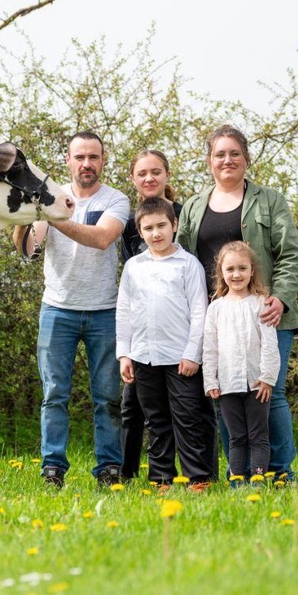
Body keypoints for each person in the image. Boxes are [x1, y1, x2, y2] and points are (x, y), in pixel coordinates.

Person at [177, 124, 298, 481]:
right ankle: (241, 473)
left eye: (235, 153)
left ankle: (279, 472)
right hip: (218, 319)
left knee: (270, 393)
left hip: (266, 315)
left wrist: (279, 298)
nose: (227, 160)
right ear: (209, 161)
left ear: (246, 158)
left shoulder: (270, 200)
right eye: (220, 154)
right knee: (227, 393)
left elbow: (291, 254)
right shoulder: (192, 207)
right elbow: (183, 262)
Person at [13, 132, 130, 489]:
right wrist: (23, 217)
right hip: (57, 309)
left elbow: (101, 238)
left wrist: (54, 213)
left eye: (93, 157)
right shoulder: (53, 197)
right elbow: (29, 249)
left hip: (104, 311)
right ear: (67, 160)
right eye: (79, 157)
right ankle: (53, 470)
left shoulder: (117, 199)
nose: (86, 164)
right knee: (54, 394)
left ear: (103, 160)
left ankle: (109, 469)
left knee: (108, 398)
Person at [116, 197, 217, 491]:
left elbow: (200, 312)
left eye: (162, 226)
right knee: (156, 421)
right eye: (148, 228)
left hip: (180, 358)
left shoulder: (188, 264)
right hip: (144, 356)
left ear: (174, 225)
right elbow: (124, 310)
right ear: (140, 231)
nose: (156, 233)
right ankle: (161, 479)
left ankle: (197, 477)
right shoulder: (134, 267)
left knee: (187, 418)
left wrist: (192, 355)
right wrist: (124, 354)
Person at [119, 150, 184, 480]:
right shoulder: (131, 225)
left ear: (167, 175)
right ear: (133, 179)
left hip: (179, 331)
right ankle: (126, 473)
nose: (149, 178)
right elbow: (129, 280)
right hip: (143, 335)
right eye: (142, 173)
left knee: (187, 408)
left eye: (156, 172)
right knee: (133, 406)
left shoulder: (183, 214)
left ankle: (197, 474)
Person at [202, 241, 280, 483]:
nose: (236, 274)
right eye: (230, 269)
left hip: (256, 384)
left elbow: (269, 344)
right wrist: (210, 381)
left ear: (252, 271)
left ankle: (257, 481)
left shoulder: (260, 303)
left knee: (259, 435)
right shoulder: (215, 308)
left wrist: (267, 378)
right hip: (227, 385)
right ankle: (237, 481)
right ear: (221, 273)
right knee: (236, 437)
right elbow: (210, 348)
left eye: (242, 268)